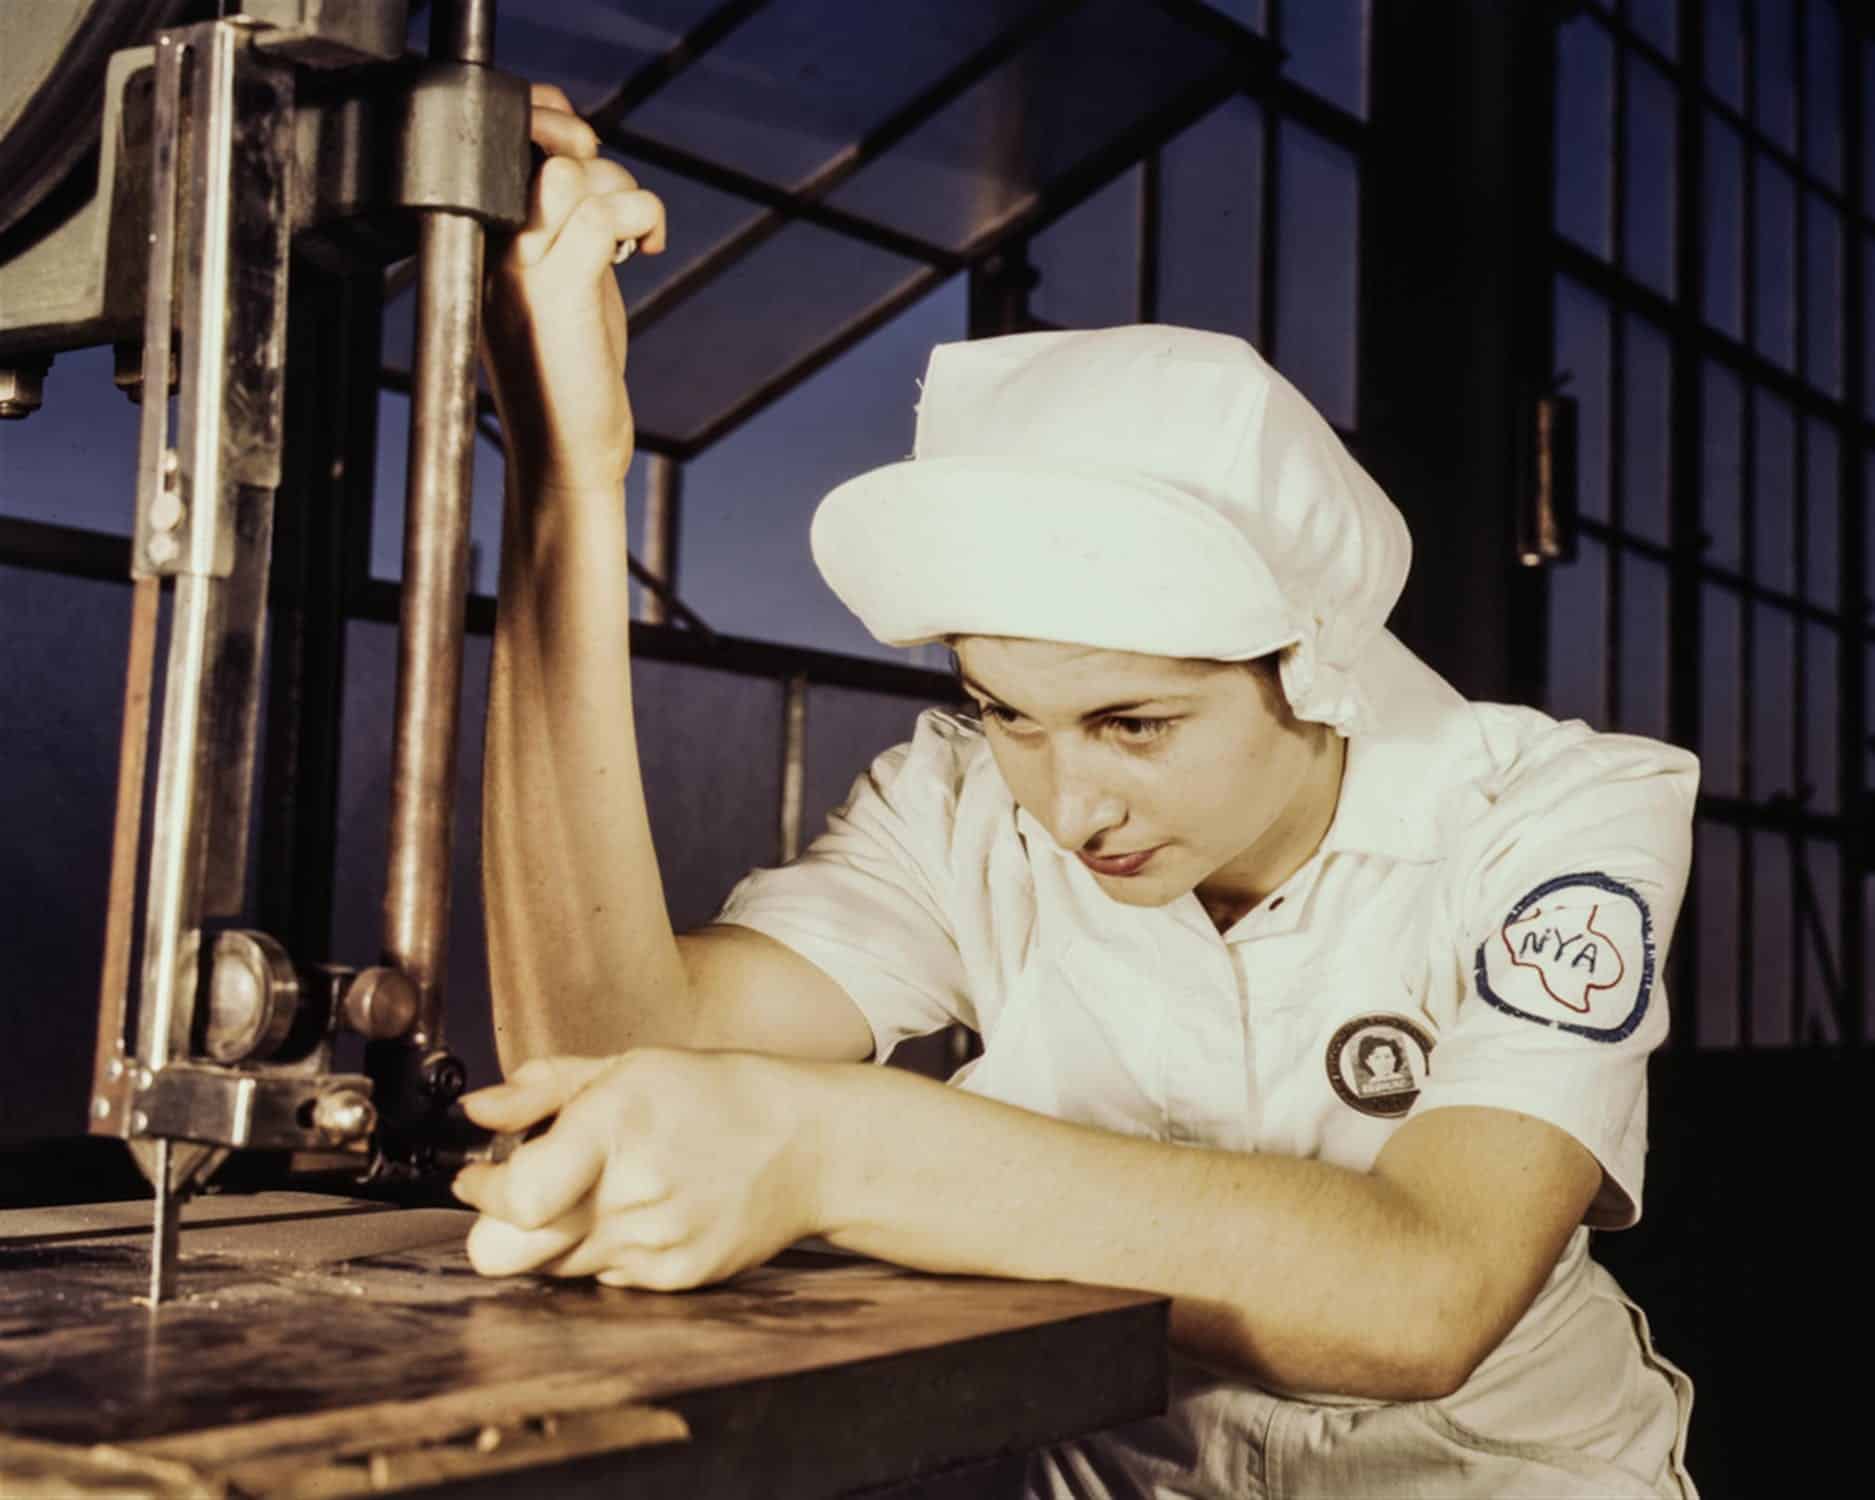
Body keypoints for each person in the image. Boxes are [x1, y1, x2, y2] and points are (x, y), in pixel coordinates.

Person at [455, 86, 1699, 1499]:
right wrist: (565, 480)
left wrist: (826, 1145)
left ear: (1313, 659)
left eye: (1136, 723)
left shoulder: (1554, 813)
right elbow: (615, 1058)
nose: (1066, 802)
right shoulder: (961, 808)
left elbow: (1426, 1296)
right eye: (1004, 715)